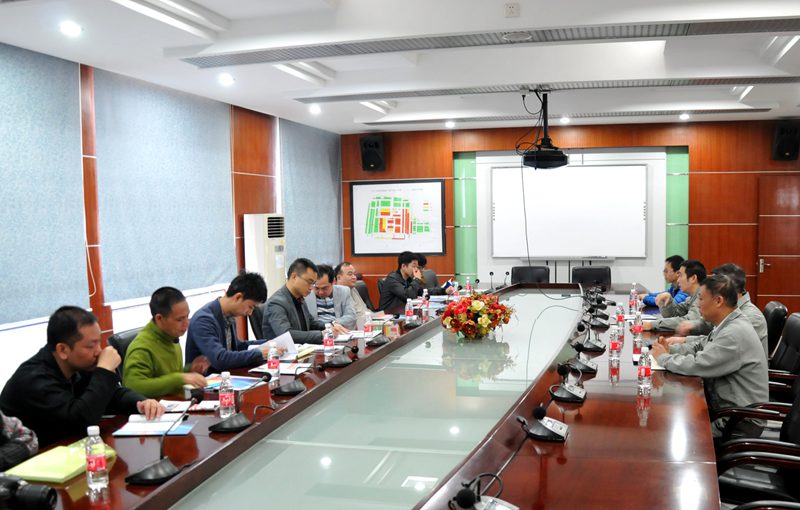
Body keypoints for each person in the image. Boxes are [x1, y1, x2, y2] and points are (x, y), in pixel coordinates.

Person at [0, 306, 163, 447]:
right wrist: (105, 370)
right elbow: (80, 421)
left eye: (99, 342)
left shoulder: (77, 365)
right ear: (63, 350)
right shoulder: (34, 380)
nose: (99, 351)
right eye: (91, 346)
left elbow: (113, 395)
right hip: (27, 462)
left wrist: (140, 402)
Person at [650, 274, 768, 438]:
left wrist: (664, 358)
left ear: (718, 301)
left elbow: (699, 365)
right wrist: (671, 350)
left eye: (701, 299)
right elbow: (701, 345)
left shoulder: (734, 333)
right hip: (726, 409)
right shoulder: (729, 323)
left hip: (739, 421)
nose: (698, 304)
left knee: (678, 434)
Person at [668, 263, 769, 358]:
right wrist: (686, 337)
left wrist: (669, 356)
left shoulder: (751, 317)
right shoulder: (728, 311)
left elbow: (715, 349)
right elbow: (712, 337)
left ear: (729, 289)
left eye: (714, 287)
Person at [123, 287, 208, 398]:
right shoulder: (141, 348)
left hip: (178, 402)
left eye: (187, 316)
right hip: (157, 407)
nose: (186, 323)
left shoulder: (171, 335)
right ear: (159, 318)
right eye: (179, 319)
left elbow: (167, 376)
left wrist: (190, 369)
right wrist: (180, 378)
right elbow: (133, 386)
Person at [185, 270, 273, 374]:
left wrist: (270, 343)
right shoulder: (203, 320)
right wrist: (258, 353)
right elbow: (219, 359)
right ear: (238, 297)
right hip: (205, 381)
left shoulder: (228, 315)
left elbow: (237, 347)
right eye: (250, 307)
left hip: (226, 377)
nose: (250, 313)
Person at [263, 258, 349, 343]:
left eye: (313, 284)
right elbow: (286, 334)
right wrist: (322, 335)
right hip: (283, 351)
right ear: (294, 277)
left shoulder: (300, 298)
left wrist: (330, 326)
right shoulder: (276, 303)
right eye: (309, 282)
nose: (311, 288)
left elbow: (311, 323)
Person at [644, 259, 709, 332]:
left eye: (680, 275)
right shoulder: (690, 298)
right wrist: (667, 302)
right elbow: (672, 315)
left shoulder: (702, 297)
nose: (678, 280)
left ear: (693, 278)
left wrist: (652, 325)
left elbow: (689, 322)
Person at [304, 264, 356, 329]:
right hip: (317, 332)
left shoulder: (344, 291)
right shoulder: (305, 295)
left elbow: (351, 316)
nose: (320, 292)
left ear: (333, 282)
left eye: (324, 288)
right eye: (316, 288)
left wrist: (333, 324)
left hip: (338, 331)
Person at [335, 261, 368, 329]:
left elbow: (363, 310)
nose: (354, 277)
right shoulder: (336, 293)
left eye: (354, 274)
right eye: (350, 274)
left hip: (365, 323)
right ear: (339, 278)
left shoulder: (353, 288)